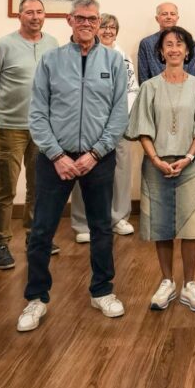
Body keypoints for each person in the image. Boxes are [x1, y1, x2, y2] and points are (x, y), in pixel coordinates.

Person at [17, 0, 128, 332]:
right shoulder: (51, 60)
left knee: (101, 228)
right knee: (42, 230)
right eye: (80, 18)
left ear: (99, 23)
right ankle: (36, 298)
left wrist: (96, 153)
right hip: (56, 160)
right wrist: (56, 155)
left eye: (92, 19)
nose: (87, 24)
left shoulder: (113, 61)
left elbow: (119, 112)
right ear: (69, 21)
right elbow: (37, 113)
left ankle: (102, 291)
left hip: (98, 158)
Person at [127, 26, 195, 311]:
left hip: (190, 163)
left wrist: (189, 157)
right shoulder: (149, 87)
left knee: (191, 226)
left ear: (188, 51)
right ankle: (166, 282)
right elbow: (142, 127)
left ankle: (189, 285)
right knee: (161, 225)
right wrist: (156, 159)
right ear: (161, 51)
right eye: (168, 44)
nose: (174, 49)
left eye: (180, 44)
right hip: (157, 163)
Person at [0, 0, 59, 269]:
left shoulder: (53, 43)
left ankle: (35, 237)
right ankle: (1, 244)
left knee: (38, 186)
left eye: (39, 12)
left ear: (45, 15)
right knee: (6, 187)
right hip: (10, 125)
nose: (35, 17)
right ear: (19, 15)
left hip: (42, 127)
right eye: (29, 12)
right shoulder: (3, 45)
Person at [70, 13, 138, 243]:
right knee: (83, 169)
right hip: (88, 124)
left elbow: (132, 90)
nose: (108, 31)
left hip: (118, 125)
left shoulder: (123, 57)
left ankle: (118, 218)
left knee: (120, 172)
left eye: (113, 27)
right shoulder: (83, 54)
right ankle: (82, 223)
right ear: (96, 29)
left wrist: (118, 118)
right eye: (104, 27)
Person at [137, 2, 195, 82]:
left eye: (172, 14)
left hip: (185, 88)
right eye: (164, 14)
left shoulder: (189, 41)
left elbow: (192, 76)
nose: (169, 17)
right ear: (157, 18)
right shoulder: (146, 43)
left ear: (177, 18)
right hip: (154, 89)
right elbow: (143, 78)